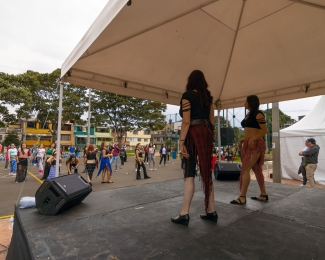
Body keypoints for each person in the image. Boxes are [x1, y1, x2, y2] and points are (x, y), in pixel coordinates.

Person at [171, 70, 217, 226]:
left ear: (190, 81)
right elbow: (212, 121)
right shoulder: (209, 99)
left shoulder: (187, 96)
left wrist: (181, 141)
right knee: (206, 173)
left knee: (189, 172)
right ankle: (211, 211)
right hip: (206, 135)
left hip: (192, 135)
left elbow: (186, 121)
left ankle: (184, 213)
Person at [231, 95, 268, 205]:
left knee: (245, 168)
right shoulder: (249, 115)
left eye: (246, 101)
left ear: (251, 102)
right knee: (256, 169)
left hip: (255, 144)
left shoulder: (258, 114)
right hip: (249, 142)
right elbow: (250, 130)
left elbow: (264, 130)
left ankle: (242, 197)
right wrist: (243, 140)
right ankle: (263, 194)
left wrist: (253, 138)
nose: (244, 104)